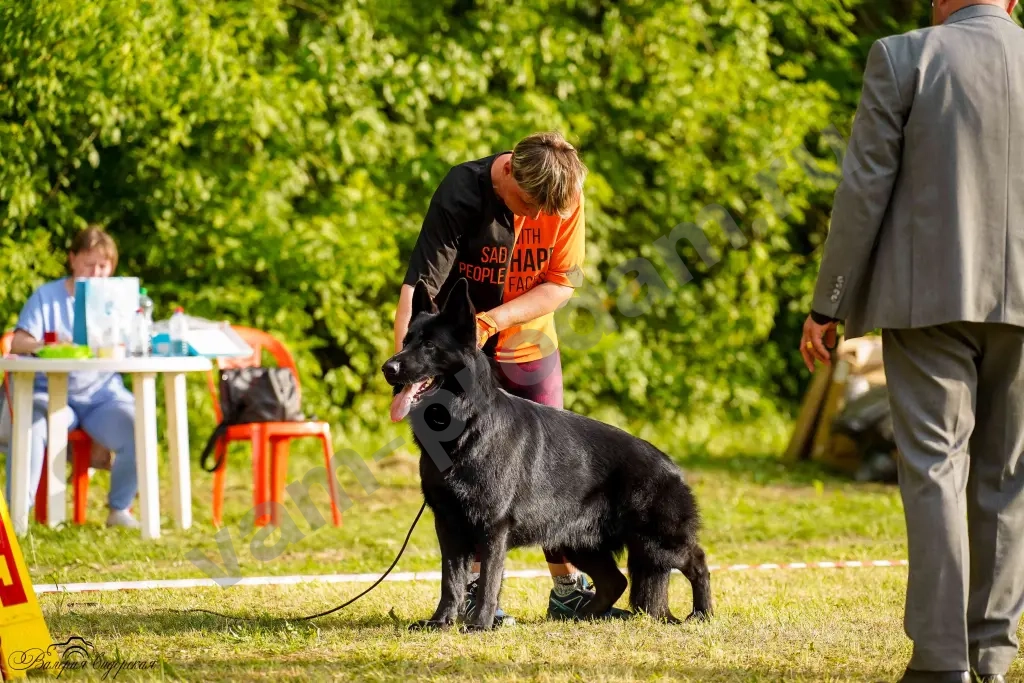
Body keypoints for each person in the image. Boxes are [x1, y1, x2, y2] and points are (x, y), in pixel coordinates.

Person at [800, 2, 1022, 682]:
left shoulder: (904, 56)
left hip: (928, 300)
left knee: (934, 471)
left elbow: (864, 186)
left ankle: (940, 663)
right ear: (1012, 1)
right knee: (1009, 479)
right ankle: (990, 655)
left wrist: (827, 301)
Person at [394, 131, 627, 625]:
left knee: (552, 467)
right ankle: (479, 598)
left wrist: (493, 321)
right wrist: (408, 369)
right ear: (507, 174)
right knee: (463, 475)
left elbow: (562, 282)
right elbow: (419, 289)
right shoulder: (461, 190)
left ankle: (567, 587)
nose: (538, 219)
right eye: (527, 205)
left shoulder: (563, 194)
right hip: (457, 357)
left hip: (528, 343)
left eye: (548, 212)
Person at [4, 226, 140, 529]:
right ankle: (16, 519)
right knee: (31, 425)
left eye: (103, 266)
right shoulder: (47, 297)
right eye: (89, 264)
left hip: (101, 394)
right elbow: (19, 342)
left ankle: (119, 509)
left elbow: (136, 344)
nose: (96, 273)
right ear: (73, 259)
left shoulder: (117, 300)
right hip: (49, 392)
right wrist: (49, 347)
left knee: (138, 424)